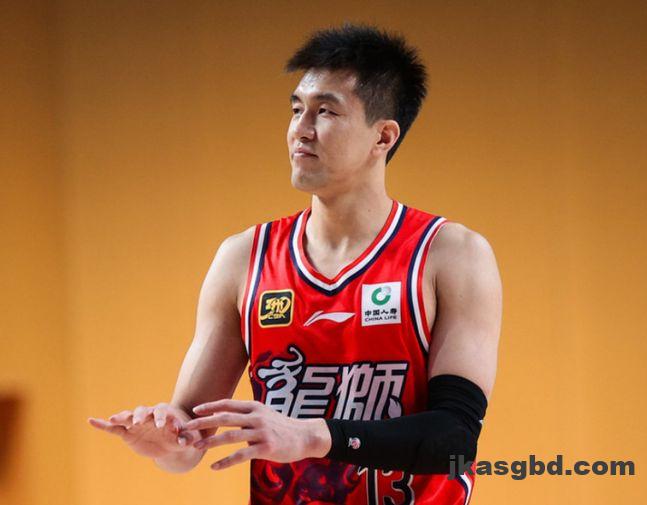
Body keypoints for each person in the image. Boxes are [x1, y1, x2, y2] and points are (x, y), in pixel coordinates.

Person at [88, 23, 502, 505]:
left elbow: (454, 440)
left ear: (383, 136)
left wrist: (313, 435)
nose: (300, 130)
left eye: (325, 111)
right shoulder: (244, 258)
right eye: (296, 109)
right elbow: (187, 438)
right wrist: (166, 441)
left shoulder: (449, 254)